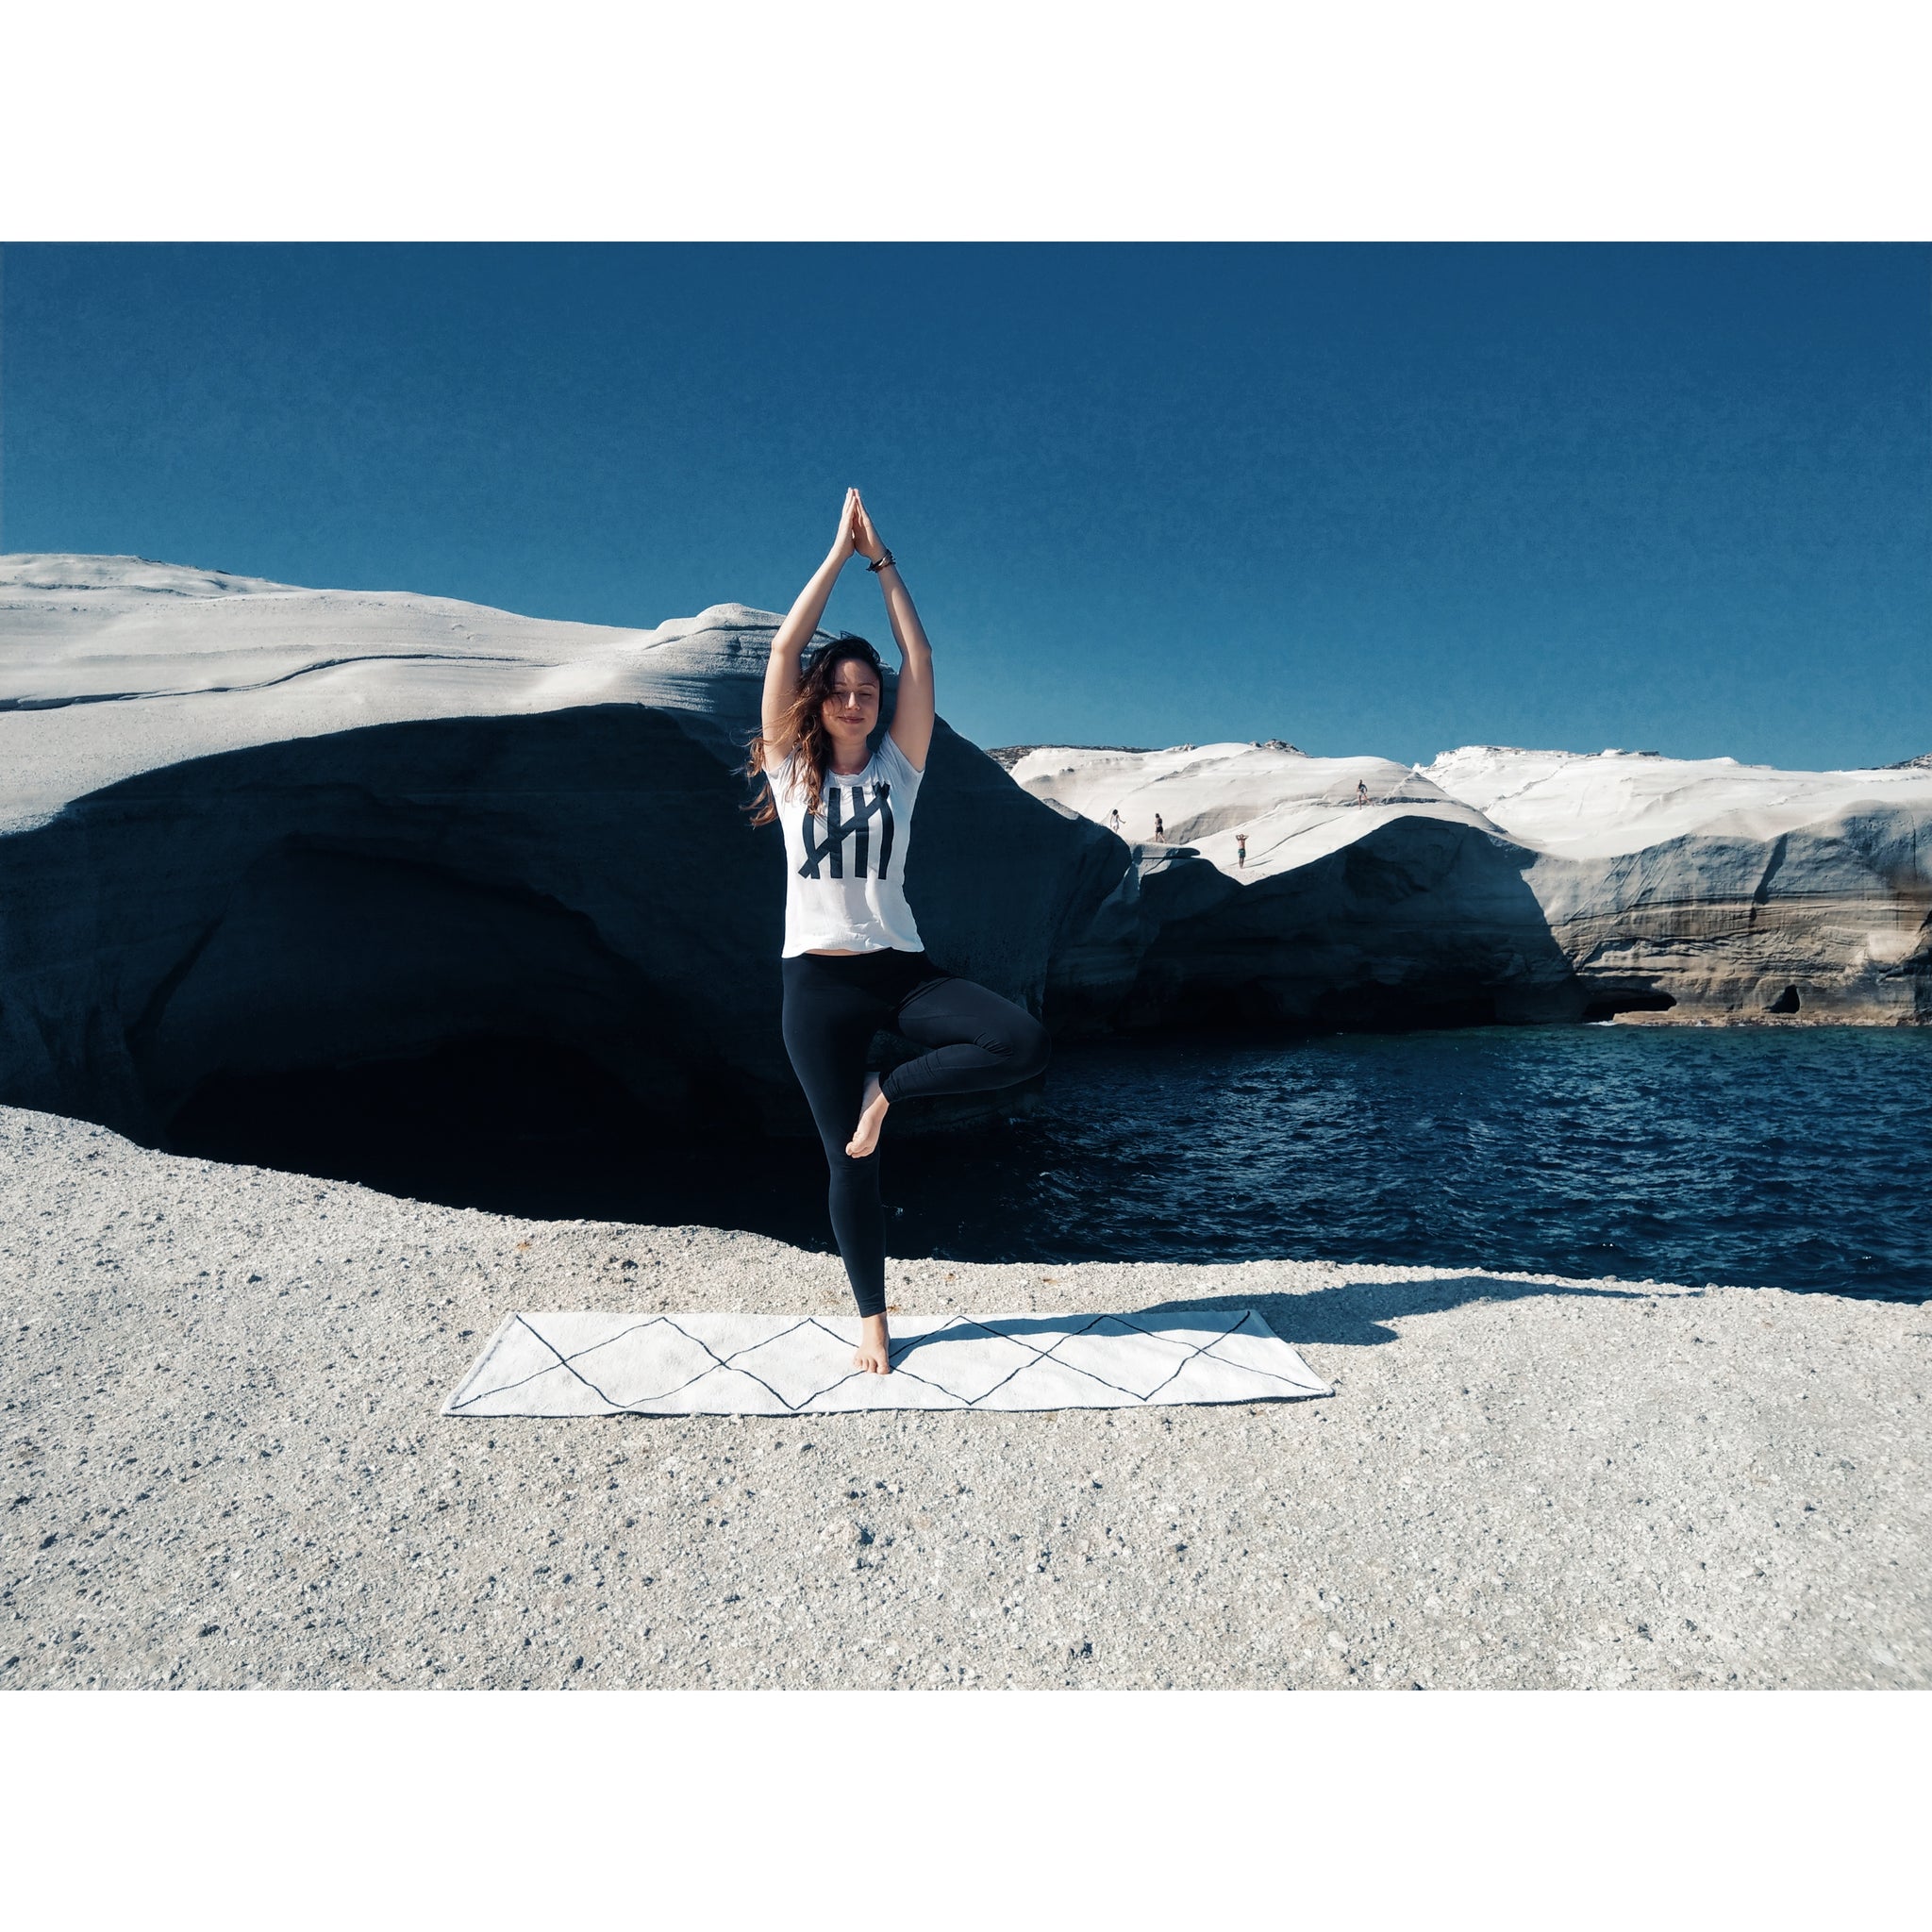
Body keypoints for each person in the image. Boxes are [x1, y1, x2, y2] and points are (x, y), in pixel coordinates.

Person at [746, 490, 1051, 1376]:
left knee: (1021, 1041)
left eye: (866, 693)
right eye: (840, 691)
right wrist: (833, 557)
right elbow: (782, 650)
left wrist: (881, 563)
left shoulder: (899, 768)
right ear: (818, 701)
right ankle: (872, 1319)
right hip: (817, 987)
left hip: (901, 973)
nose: (854, 702)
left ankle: (890, 1089)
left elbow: (919, 655)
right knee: (850, 1160)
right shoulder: (789, 771)